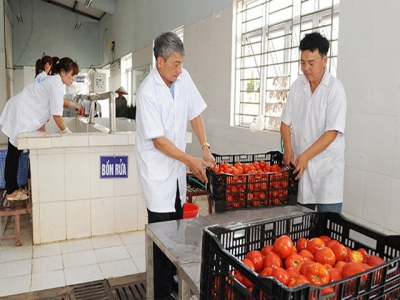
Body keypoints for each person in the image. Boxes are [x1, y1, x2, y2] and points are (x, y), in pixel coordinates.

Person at [135, 32, 215, 300]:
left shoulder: (183, 78)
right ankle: (159, 293)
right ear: (160, 61)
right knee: (161, 241)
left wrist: (204, 146)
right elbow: (158, 141)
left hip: (177, 175)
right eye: (175, 64)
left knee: (177, 234)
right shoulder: (147, 91)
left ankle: (171, 284)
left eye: (181, 63)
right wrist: (191, 160)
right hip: (157, 177)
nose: (180, 70)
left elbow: (195, 114)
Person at [280, 32, 347, 213]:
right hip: (301, 170)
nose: (306, 68)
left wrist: (306, 156)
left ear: (324, 60)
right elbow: (285, 123)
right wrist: (288, 147)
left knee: (327, 230)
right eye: (302, 63)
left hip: (328, 171)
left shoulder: (335, 90)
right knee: (302, 227)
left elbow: (332, 132)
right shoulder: (297, 87)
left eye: (311, 63)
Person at [0, 57, 80, 201]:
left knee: (15, 152)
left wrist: (73, 106)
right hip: (21, 114)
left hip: (18, 109)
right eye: (71, 74)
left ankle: (12, 188)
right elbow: (57, 116)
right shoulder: (55, 84)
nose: (73, 78)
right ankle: (11, 191)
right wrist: (68, 134)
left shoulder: (48, 79)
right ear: (62, 72)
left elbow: (58, 101)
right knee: (13, 153)